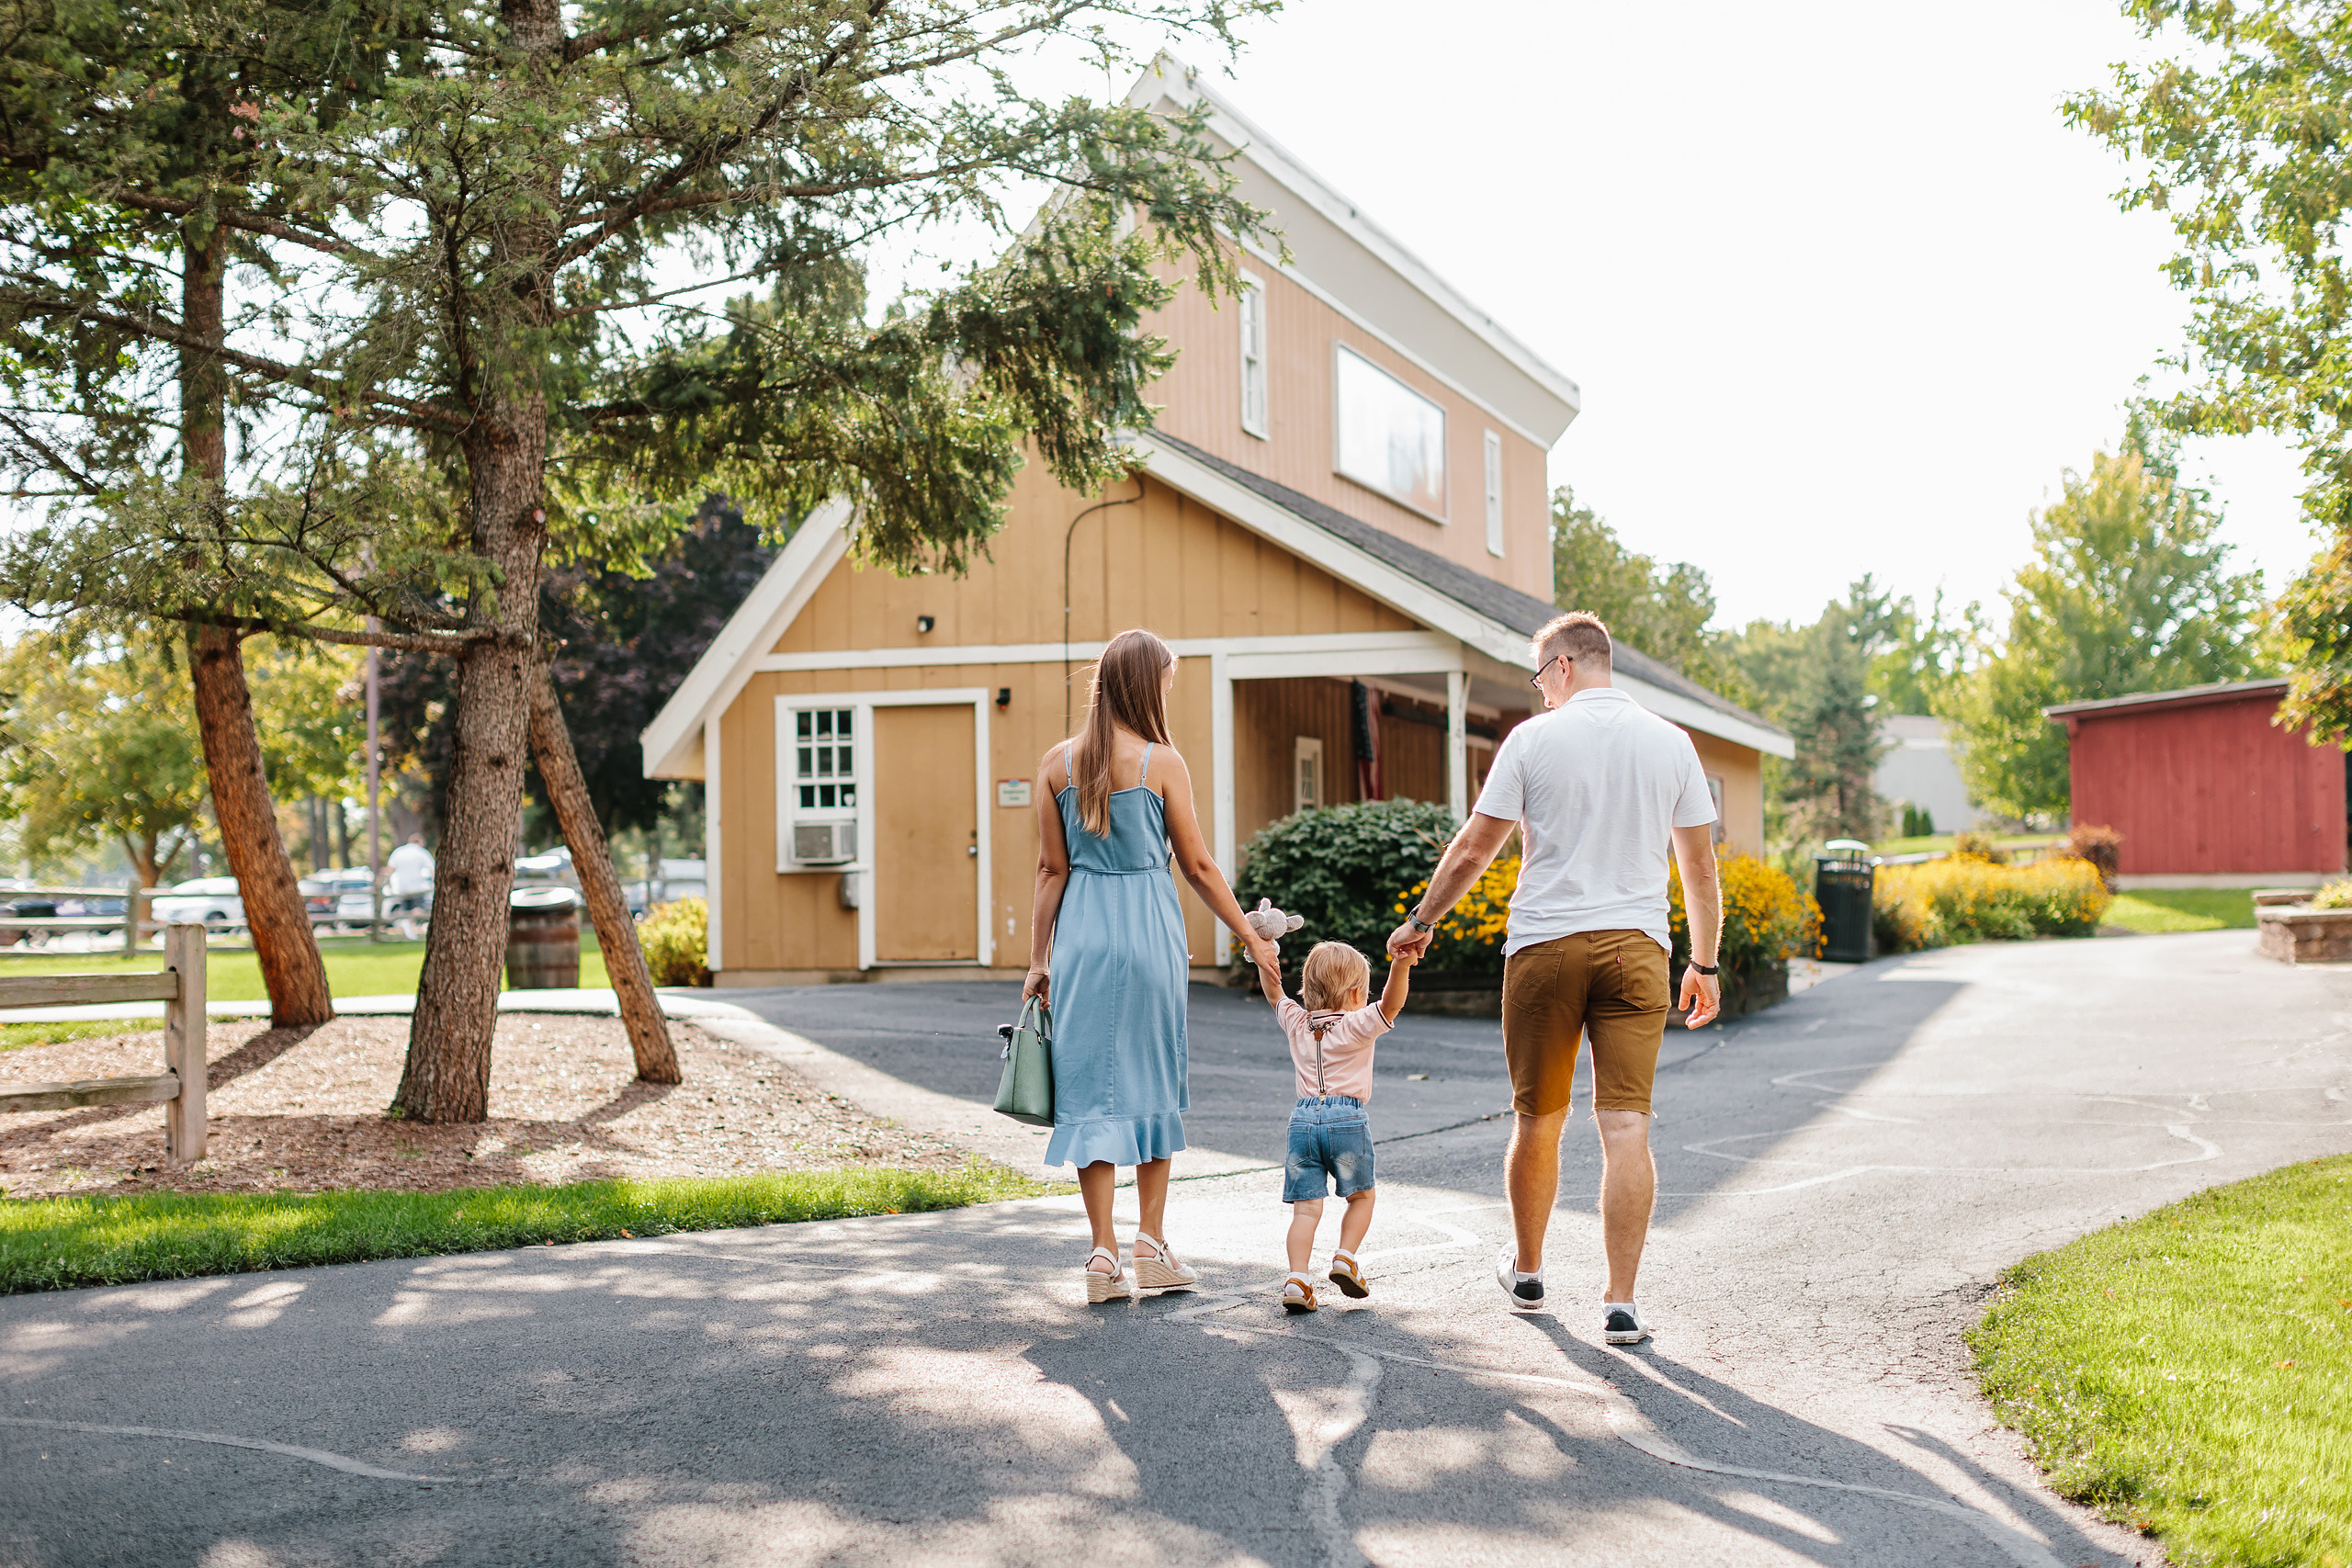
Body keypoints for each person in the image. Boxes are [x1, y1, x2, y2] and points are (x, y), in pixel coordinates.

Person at [1386, 611, 1724, 1345]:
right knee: (1626, 1125)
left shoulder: (1532, 740)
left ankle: (1531, 1272)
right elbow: (1698, 867)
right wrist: (1704, 962)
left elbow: (1474, 848)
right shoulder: (1672, 742)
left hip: (1545, 947)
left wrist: (1422, 919)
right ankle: (1621, 1302)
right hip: (1636, 951)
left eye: (1541, 674)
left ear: (1565, 664)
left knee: (1539, 1116)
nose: (1540, 690)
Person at [1025, 629, 1283, 1303]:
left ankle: (1102, 1254)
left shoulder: (1055, 764)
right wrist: (1251, 938)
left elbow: (1050, 870)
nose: (1168, 694)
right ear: (1146, 686)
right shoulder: (1162, 762)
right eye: (1166, 683)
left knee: (1088, 1087)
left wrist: (1038, 961)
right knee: (1154, 1078)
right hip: (1149, 933)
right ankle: (1152, 1242)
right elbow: (1196, 865)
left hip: (1081, 936)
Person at [1250, 939, 1413, 1313]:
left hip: (1302, 1121)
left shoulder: (1297, 1022)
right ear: (1357, 993)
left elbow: (1274, 992)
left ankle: (1297, 1279)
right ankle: (1345, 1256)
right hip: (1347, 1119)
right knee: (1361, 1197)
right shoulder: (1357, 1024)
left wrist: (1263, 955)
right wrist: (1401, 965)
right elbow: (1391, 1004)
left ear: (1307, 989)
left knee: (1305, 1210)